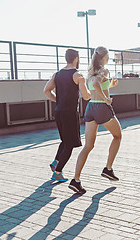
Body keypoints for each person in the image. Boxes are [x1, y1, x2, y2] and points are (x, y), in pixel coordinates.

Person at [68, 46, 121, 194]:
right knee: (117, 136)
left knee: (88, 146)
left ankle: (76, 180)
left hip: (90, 108)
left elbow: (96, 85)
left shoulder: (91, 71)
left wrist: (110, 85)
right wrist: (106, 99)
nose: (109, 59)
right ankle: (108, 168)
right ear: (104, 58)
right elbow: (97, 85)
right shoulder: (104, 70)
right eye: (108, 56)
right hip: (102, 108)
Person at [43, 49, 91, 182]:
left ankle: (56, 162)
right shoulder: (77, 75)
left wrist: (58, 100)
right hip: (70, 113)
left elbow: (46, 90)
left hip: (59, 112)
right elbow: (86, 96)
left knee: (65, 140)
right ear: (76, 58)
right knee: (69, 144)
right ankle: (58, 172)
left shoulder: (57, 74)